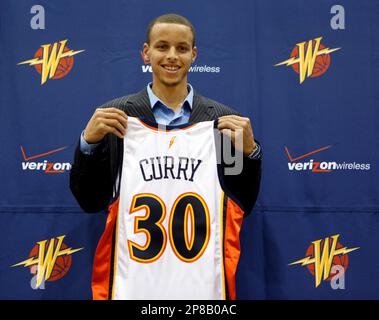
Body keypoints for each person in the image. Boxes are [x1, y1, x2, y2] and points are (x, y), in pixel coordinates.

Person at [70, 13, 262, 299]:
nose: (172, 56)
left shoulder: (222, 123)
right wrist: (88, 144)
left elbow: (241, 202)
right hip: (132, 286)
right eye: (162, 47)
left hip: (202, 290)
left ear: (194, 55)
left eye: (182, 48)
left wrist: (251, 154)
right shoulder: (117, 118)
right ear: (146, 53)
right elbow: (90, 201)